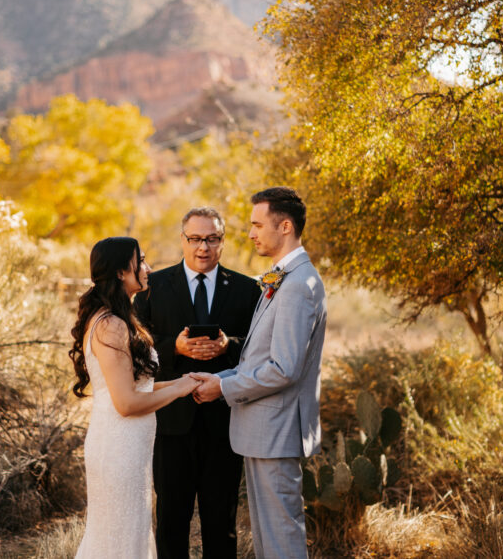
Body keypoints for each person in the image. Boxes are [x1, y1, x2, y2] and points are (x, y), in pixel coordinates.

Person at [191, 188, 327, 559]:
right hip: (263, 431)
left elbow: (284, 368)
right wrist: (221, 379)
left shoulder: (298, 285)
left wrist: (223, 388)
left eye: (257, 225)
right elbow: (260, 357)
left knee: (281, 539)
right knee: (269, 541)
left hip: (276, 431)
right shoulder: (285, 277)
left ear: (285, 227)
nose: (250, 233)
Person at [133, 208, 261, 559]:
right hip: (171, 422)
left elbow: (260, 348)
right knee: (171, 520)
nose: (203, 247)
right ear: (183, 240)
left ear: (222, 241)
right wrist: (173, 347)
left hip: (225, 422)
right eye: (195, 239)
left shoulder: (248, 289)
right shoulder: (152, 287)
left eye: (212, 239)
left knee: (221, 522)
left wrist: (228, 345)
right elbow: (135, 349)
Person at [69, 236, 201, 559]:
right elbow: (127, 403)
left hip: (129, 446)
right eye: (140, 261)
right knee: (119, 537)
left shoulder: (118, 319)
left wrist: (182, 383)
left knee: (130, 532)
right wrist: (180, 390)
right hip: (118, 448)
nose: (148, 268)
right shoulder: (110, 326)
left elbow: (138, 387)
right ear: (119, 272)